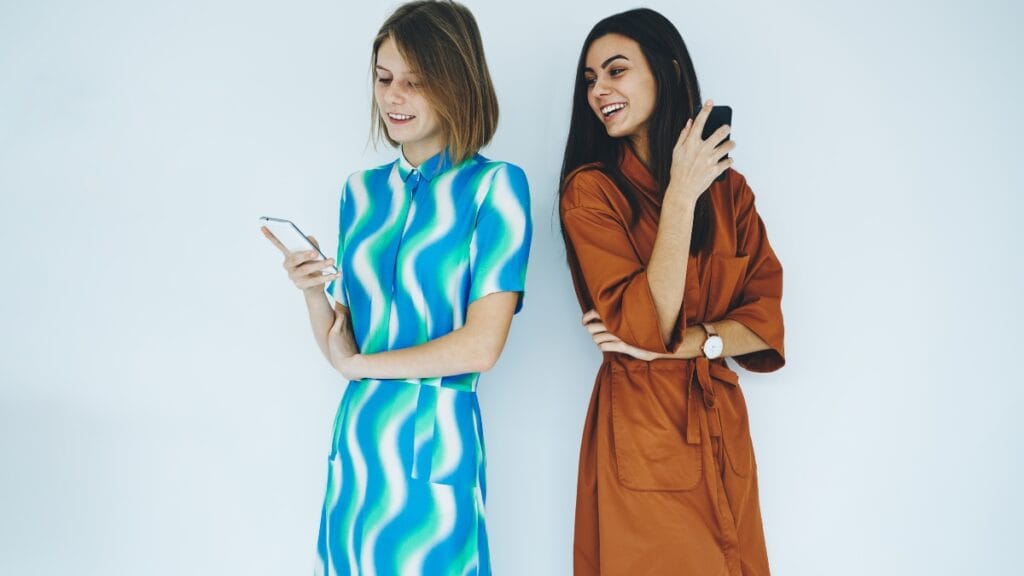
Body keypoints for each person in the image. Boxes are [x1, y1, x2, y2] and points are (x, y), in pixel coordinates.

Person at [262, 2, 532, 573]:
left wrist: (360, 366)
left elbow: (482, 346)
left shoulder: (496, 188)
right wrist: (312, 291)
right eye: (384, 79)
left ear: (457, 82)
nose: (393, 97)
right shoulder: (359, 194)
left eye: (414, 81)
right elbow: (346, 343)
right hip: (358, 446)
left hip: (436, 445)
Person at [558, 8, 785, 575]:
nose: (599, 91)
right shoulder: (591, 194)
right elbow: (647, 324)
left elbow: (764, 321)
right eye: (590, 80)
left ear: (669, 72)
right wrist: (681, 193)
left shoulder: (731, 193)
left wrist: (691, 344)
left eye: (616, 71)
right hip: (642, 433)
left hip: (721, 427)